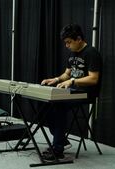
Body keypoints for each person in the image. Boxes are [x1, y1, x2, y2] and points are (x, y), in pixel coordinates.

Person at [41, 24, 102, 161]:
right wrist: (55, 79)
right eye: (66, 43)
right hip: (73, 91)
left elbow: (93, 78)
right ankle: (62, 140)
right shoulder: (73, 53)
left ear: (79, 39)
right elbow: (67, 74)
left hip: (86, 93)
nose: (67, 46)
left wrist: (73, 81)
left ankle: (58, 149)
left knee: (59, 105)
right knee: (47, 104)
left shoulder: (91, 53)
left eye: (69, 42)